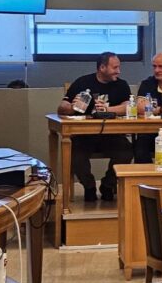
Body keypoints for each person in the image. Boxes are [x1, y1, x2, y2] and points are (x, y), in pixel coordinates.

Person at [57, 51, 133, 202]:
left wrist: (108, 109)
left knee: (126, 151)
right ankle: (89, 186)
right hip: (85, 136)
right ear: (102, 67)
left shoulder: (121, 85)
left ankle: (108, 185)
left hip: (112, 135)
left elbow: (128, 106)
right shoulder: (82, 83)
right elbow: (61, 108)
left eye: (119, 67)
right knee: (75, 154)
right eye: (115, 67)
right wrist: (72, 107)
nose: (118, 71)